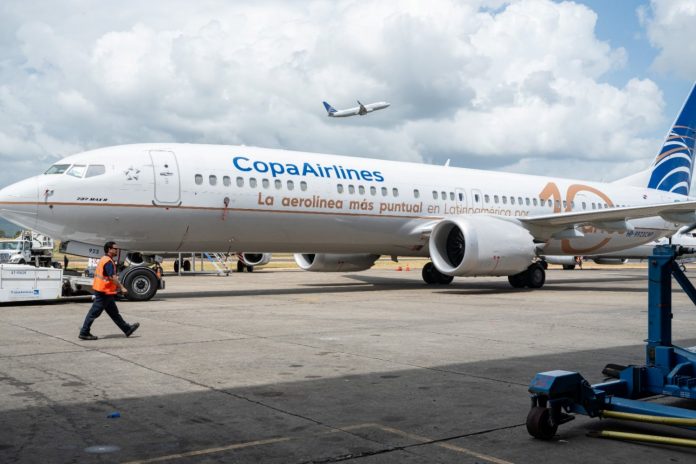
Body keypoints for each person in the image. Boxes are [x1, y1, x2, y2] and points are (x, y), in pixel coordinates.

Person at [79, 241, 139, 340]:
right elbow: (112, 277)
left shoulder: (104, 259)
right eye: (115, 249)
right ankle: (84, 332)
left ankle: (127, 329)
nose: (117, 250)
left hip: (106, 291)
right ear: (109, 249)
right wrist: (121, 287)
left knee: (114, 313)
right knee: (94, 313)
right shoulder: (108, 262)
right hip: (103, 292)